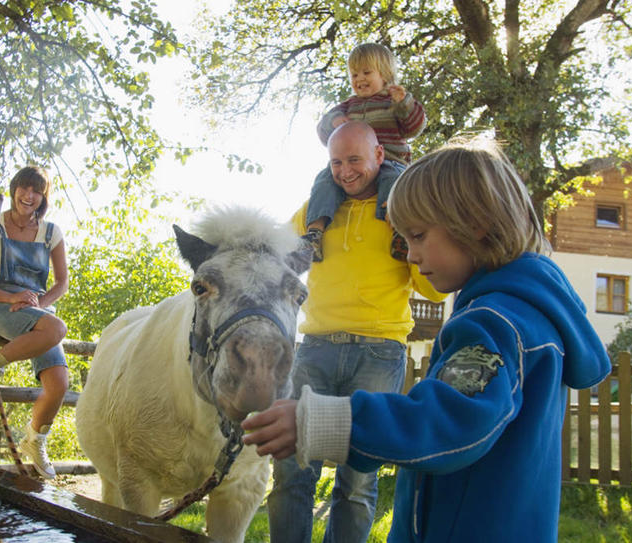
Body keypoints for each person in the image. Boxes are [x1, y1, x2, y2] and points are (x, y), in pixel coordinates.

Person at [243, 138, 612, 542]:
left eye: (417, 236)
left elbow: (452, 421)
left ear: (474, 224)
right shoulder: (530, 316)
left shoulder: (496, 323)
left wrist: (315, 421)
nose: (411, 256)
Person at [266, 120, 447, 543]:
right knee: (292, 470)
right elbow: (277, 261)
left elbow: (434, 290)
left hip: (379, 353)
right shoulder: (316, 209)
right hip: (316, 350)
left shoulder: (403, 213)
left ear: (379, 157)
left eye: (354, 160)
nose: (345, 171)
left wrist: (412, 239)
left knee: (358, 481)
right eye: (335, 162)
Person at [0, 165, 69, 479]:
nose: (29, 196)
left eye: (36, 191)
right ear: (14, 190)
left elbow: (61, 283)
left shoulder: (51, 233)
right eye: (24, 189)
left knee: (59, 386)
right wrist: (11, 297)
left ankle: (34, 440)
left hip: (35, 308)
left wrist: (40, 303)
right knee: (56, 329)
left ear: (43, 197)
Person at [304, 42, 426, 262]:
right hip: (351, 164)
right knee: (324, 181)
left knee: (395, 183)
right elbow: (323, 132)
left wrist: (405, 103)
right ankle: (314, 232)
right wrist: (334, 123)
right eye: (354, 74)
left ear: (385, 74)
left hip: (390, 161)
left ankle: (400, 232)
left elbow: (414, 127)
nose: (359, 79)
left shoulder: (393, 102)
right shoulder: (347, 106)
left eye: (366, 72)